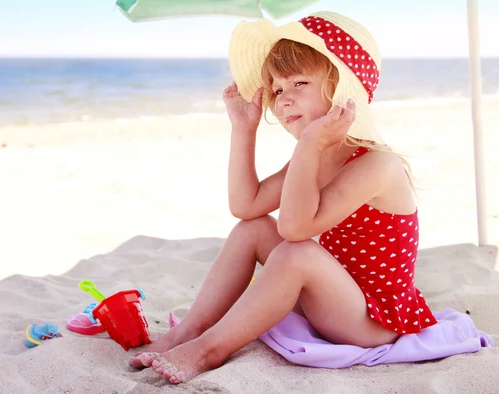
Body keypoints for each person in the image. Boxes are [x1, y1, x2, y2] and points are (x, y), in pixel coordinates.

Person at [130, 11, 437, 384]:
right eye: (277, 89)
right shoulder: (312, 157)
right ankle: (188, 331)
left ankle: (209, 349)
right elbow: (246, 206)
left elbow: (294, 230)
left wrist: (309, 143)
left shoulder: (378, 165)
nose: (284, 99)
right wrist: (244, 129)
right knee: (254, 228)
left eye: (300, 83)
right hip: (329, 299)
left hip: (372, 320)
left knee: (296, 251)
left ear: (342, 91)